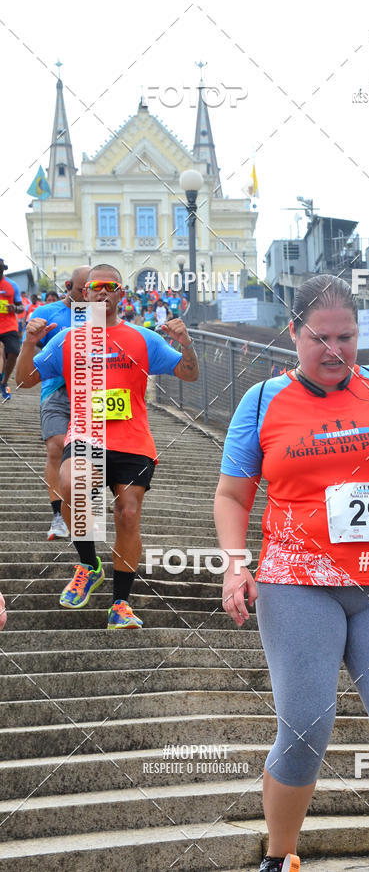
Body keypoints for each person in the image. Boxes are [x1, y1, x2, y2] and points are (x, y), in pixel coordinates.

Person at [214, 274, 369, 872]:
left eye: (346, 338)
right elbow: (231, 495)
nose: (334, 351)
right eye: (319, 338)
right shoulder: (260, 402)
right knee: (304, 732)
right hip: (297, 583)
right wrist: (233, 566)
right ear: (294, 334)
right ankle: (279, 856)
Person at [16, 263, 199, 629]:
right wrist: (27, 342)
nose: (102, 292)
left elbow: (188, 373)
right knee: (71, 483)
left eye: (110, 286)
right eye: (95, 287)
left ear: (121, 294)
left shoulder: (142, 338)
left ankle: (120, 604)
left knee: (127, 513)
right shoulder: (67, 339)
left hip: (133, 439)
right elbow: (24, 381)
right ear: (85, 294)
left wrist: (187, 344)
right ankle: (89, 564)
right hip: (86, 434)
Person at [17, 267, 90, 539]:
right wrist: (30, 341)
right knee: (56, 447)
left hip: (94, 392)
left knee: (86, 455)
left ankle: (81, 513)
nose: (87, 294)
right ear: (69, 285)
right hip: (56, 389)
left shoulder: (103, 315)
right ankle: (59, 514)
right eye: (82, 288)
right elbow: (32, 358)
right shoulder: (46, 313)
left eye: (90, 289)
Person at [0, 259, 24, 400]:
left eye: (1, 268)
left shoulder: (11, 285)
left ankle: (4, 382)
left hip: (9, 325)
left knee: (14, 351)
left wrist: (14, 308)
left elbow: (21, 307)